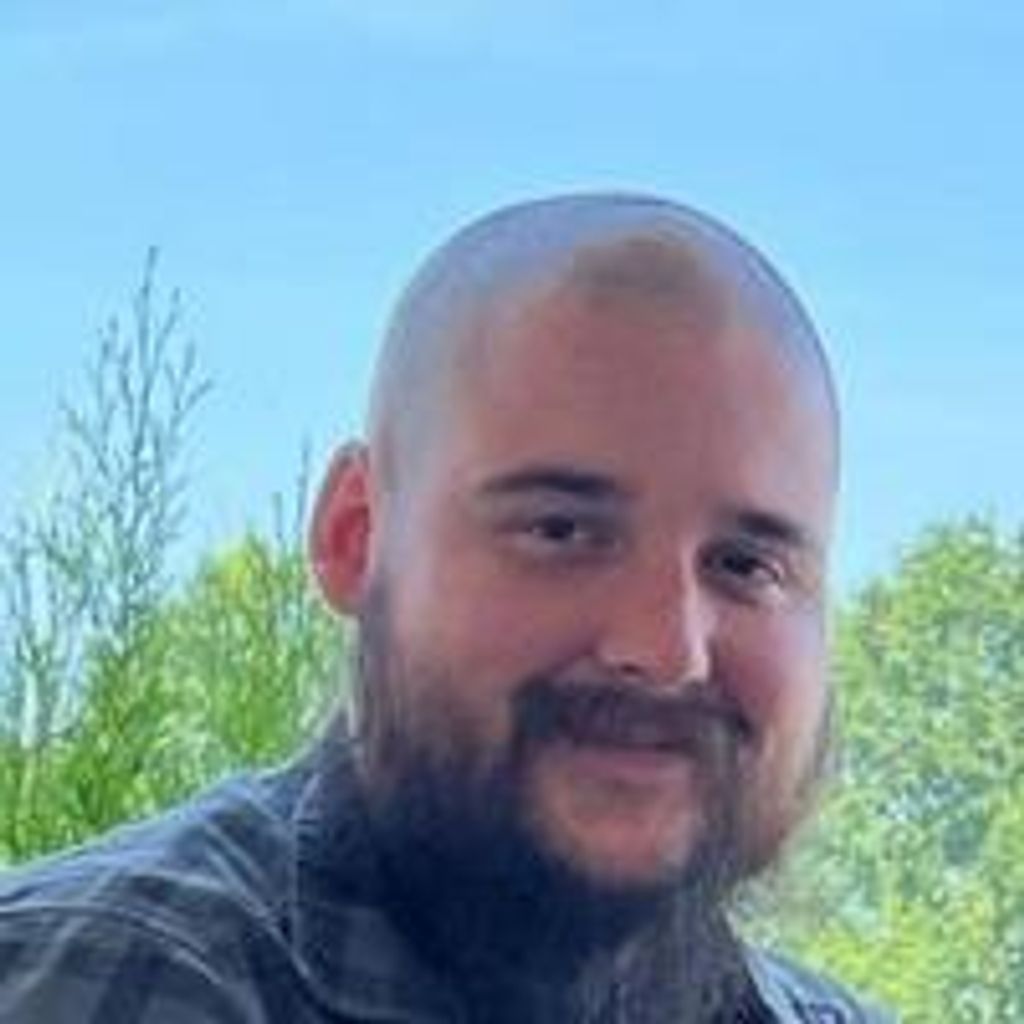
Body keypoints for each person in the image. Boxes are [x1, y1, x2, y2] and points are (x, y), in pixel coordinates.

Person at [0, 193, 892, 1022]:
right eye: (561, 530)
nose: (665, 648)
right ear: (356, 537)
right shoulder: (115, 978)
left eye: (744, 564)